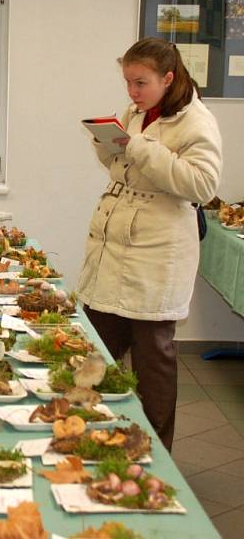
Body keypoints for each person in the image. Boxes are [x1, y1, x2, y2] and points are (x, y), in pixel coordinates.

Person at [76, 37, 223, 450]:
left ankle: (156, 453)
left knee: (153, 359)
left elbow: (203, 184)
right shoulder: (137, 111)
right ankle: (91, 437)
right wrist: (109, 147)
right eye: (128, 82)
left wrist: (138, 147)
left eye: (140, 83)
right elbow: (131, 166)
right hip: (117, 245)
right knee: (96, 348)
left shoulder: (197, 121)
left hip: (158, 253)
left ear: (168, 78)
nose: (132, 93)